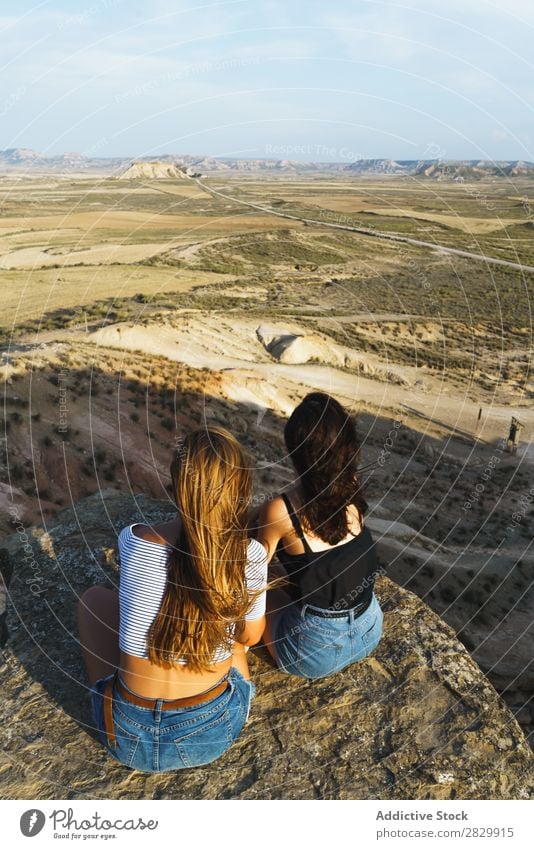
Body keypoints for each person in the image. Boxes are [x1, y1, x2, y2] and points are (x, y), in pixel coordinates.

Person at [77, 427, 267, 772]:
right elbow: (251, 637)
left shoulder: (134, 539)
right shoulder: (249, 556)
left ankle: (107, 693)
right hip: (212, 735)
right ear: (239, 491)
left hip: (128, 738)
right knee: (239, 640)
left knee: (93, 600)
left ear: (178, 485)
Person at [257, 392, 383, 679]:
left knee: (259, 589)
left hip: (315, 652)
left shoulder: (282, 510)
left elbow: (252, 570)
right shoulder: (352, 488)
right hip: (370, 626)